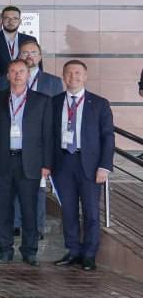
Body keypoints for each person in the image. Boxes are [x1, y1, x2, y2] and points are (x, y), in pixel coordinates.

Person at [51, 60, 114, 272]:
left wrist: (105, 166)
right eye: (69, 73)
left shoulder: (99, 103)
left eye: (78, 73)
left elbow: (108, 136)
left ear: (85, 76)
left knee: (91, 212)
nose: (73, 77)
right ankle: (73, 251)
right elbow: (48, 135)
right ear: (63, 76)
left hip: (90, 164)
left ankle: (89, 255)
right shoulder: (54, 102)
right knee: (68, 211)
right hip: (63, 163)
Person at [0, 59, 54, 266]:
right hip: (3, 160)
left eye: (21, 71)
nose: (17, 75)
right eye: (13, 71)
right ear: (7, 75)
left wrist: (46, 164)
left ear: (28, 75)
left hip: (30, 162)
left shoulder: (42, 100)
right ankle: (5, 249)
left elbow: (47, 135)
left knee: (29, 209)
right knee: (3, 209)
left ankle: (30, 250)